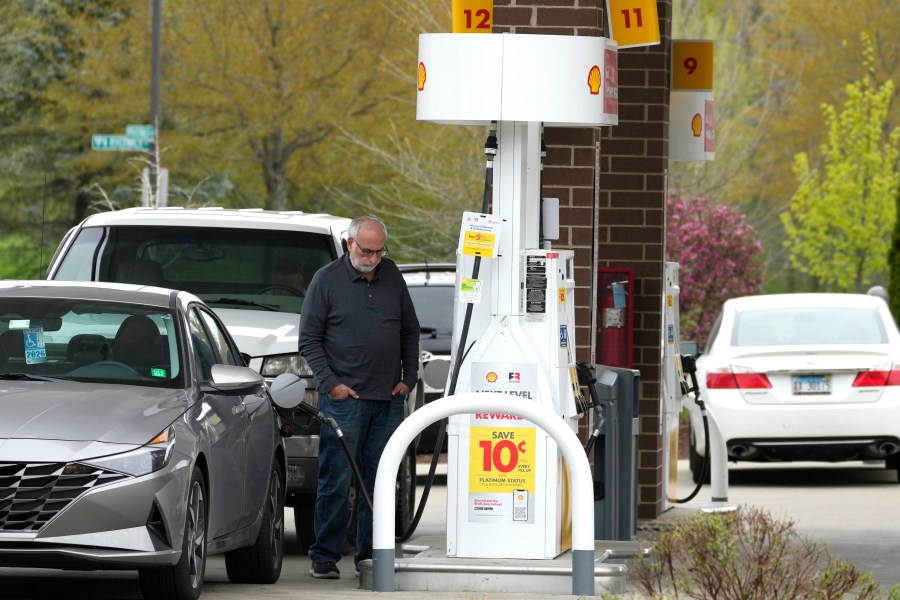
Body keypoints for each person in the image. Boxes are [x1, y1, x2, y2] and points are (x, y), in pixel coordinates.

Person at [298, 215, 420, 579]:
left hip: (388, 400)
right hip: (344, 400)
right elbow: (309, 340)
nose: (373, 257)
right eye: (367, 250)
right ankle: (324, 556)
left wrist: (408, 378)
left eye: (379, 250)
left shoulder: (392, 275)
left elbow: (410, 331)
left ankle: (369, 555)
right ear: (349, 243)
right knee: (336, 480)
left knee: (380, 480)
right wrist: (331, 383)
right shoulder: (326, 280)